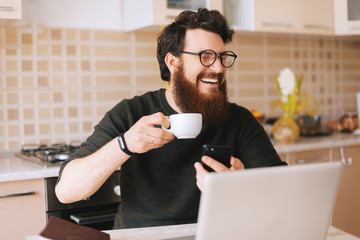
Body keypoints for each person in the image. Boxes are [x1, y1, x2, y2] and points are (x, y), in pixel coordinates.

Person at [55, 8, 286, 229]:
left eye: (222, 57)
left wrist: (245, 188)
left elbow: (285, 193)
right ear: (173, 62)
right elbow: (66, 191)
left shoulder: (239, 121)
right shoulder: (131, 113)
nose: (218, 68)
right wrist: (125, 144)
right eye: (206, 56)